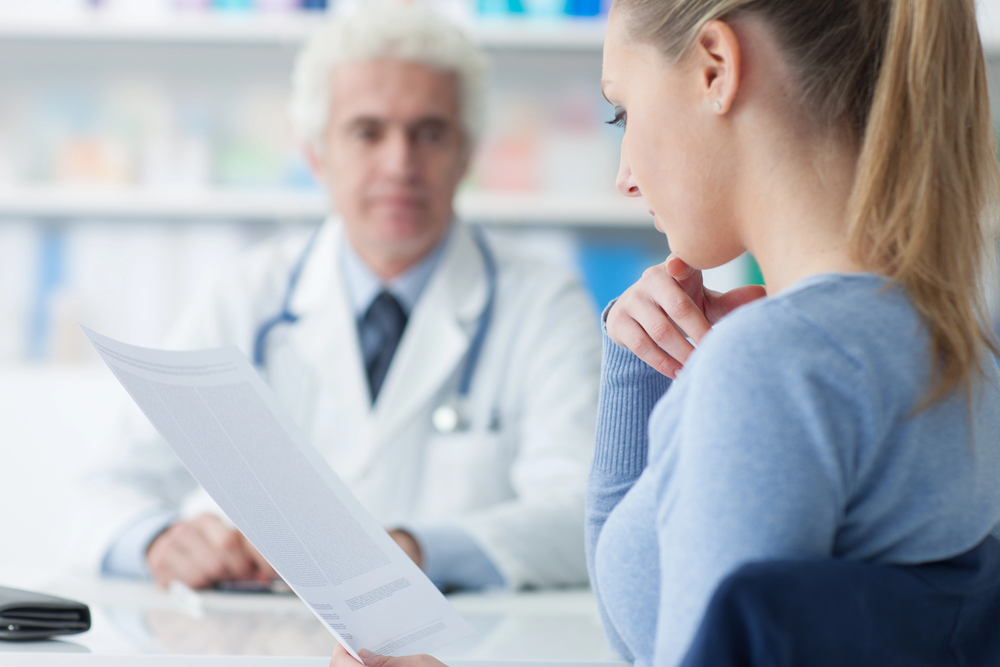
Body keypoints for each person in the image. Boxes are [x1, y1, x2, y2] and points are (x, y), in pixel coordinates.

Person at [328, 0, 1000, 666]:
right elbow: (650, 633)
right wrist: (637, 372)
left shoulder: (771, 367)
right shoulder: (956, 342)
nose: (624, 177)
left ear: (715, 67)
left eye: (622, 112)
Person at [71, 3, 601, 593]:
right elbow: (106, 485)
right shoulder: (248, 295)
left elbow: (583, 512)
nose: (400, 164)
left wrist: (414, 551)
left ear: (467, 153)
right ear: (316, 155)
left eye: (429, 133)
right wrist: (157, 542)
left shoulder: (543, 302)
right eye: (367, 132)